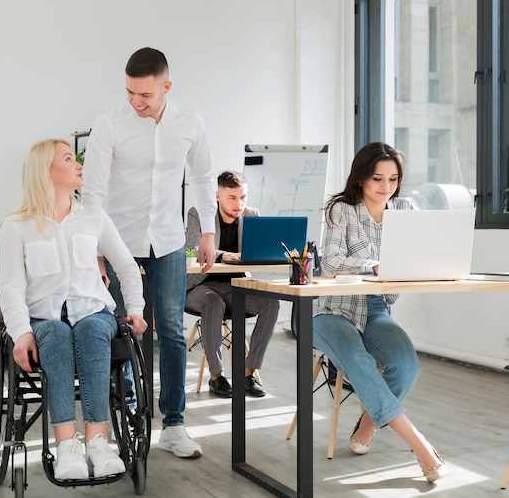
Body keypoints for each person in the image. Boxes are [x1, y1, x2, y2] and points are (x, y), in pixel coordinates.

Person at [82, 47, 217, 458]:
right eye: (130, 94)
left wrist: (209, 231)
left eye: (145, 95)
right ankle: (125, 418)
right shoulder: (110, 124)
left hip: (169, 241)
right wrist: (94, 248)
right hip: (118, 241)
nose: (136, 102)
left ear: (166, 86)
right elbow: (93, 192)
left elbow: (203, 175)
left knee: (172, 332)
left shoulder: (189, 122)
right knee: (122, 329)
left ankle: (174, 425)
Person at [0, 139, 148, 480]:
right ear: (46, 172)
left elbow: (125, 266)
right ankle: (66, 446)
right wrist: (21, 333)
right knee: (55, 330)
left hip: (94, 314)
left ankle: (98, 442)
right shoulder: (16, 226)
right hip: (44, 319)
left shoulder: (93, 217)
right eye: (69, 159)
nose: (79, 163)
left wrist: (136, 309)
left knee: (91, 328)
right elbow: (10, 287)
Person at [312, 142, 448, 482]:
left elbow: (415, 256)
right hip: (332, 309)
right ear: (360, 178)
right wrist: (371, 264)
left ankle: (369, 421)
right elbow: (329, 262)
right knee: (357, 359)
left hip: (375, 307)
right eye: (377, 178)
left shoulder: (405, 208)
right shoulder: (340, 208)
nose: (385, 187)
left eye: (393, 179)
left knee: (406, 366)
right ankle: (420, 445)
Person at [185, 171, 279, 398]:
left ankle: (248, 374)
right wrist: (224, 255)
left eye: (243, 197)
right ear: (217, 196)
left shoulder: (252, 215)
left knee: (271, 303)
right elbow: (193, 247)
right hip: (199, 286)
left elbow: (258, 253)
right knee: (212, 302)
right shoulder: (199, 213)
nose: (239, 204)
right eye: (232, 198)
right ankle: (216, 377)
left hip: (236, 286)